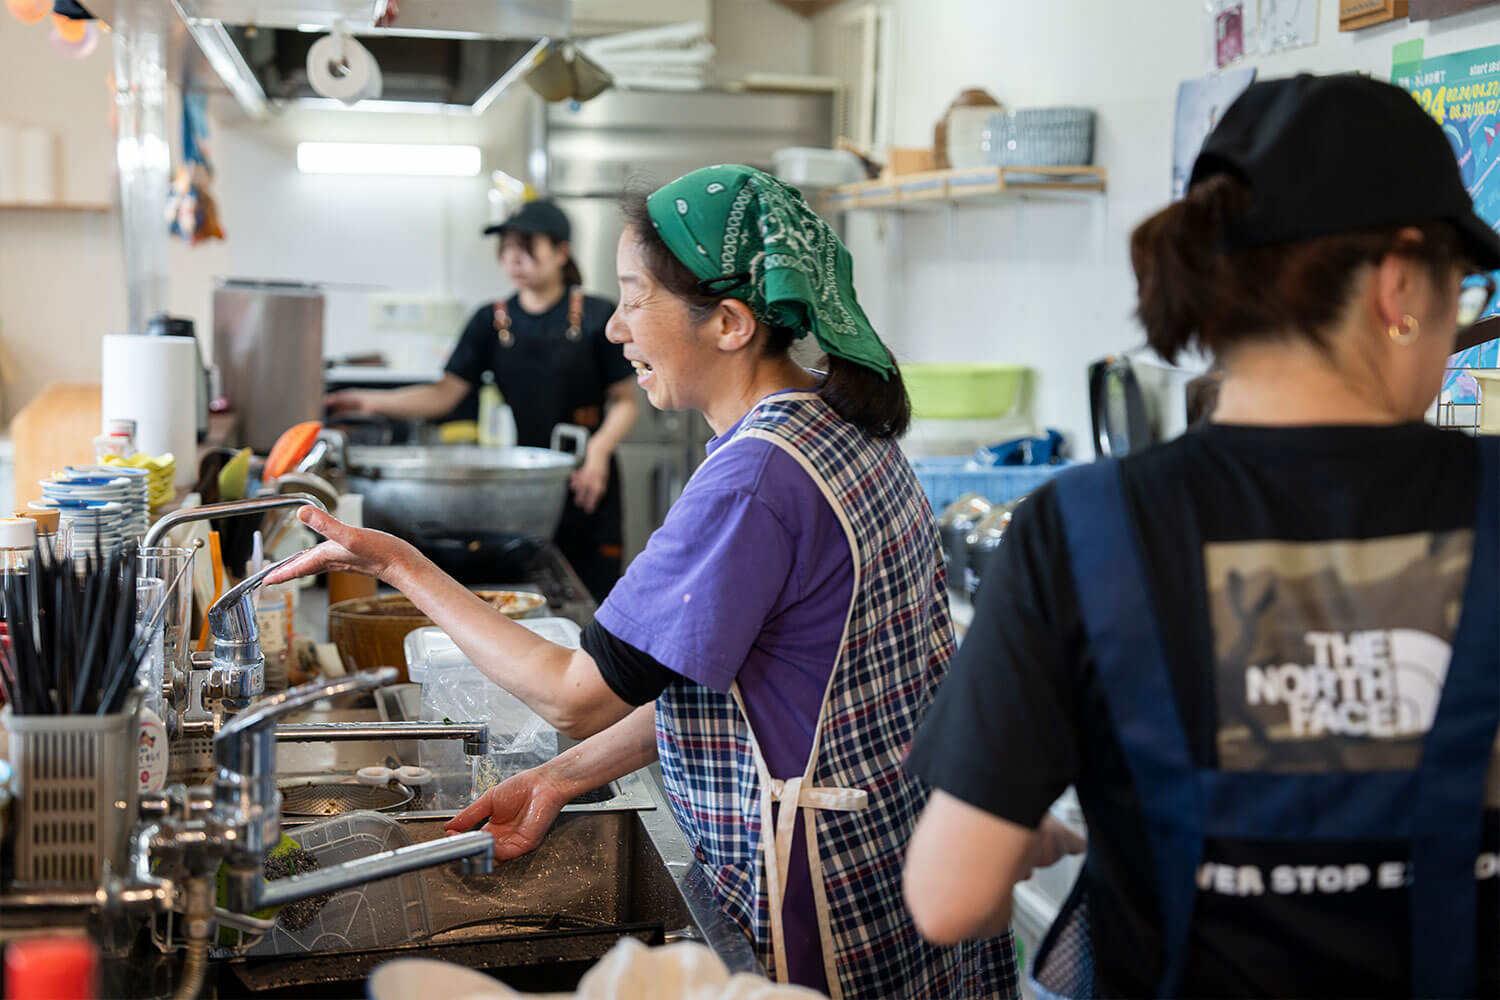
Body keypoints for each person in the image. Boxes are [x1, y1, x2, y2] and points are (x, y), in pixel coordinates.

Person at [270, 165, 1018, 998]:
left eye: (635, 299)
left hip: (814, 888)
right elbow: (723, 674)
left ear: (730, 323)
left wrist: (396, 561)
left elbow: (572, 692)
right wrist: (559, 777)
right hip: (898, 852)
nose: (619, 330)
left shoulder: (754, 482)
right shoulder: (835, 423)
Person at [902, 73, 1500, 999]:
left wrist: (1033, 831)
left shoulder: (1085, 525)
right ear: (1399, 281)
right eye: (1460, 291)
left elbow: (948, 897)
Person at [326, 200, 639, 600]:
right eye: (506, 248)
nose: (513, 258)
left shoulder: (597, 316)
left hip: (587, 478)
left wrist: (597, 451)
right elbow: (444, 394)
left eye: (526, 246)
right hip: (523, 486)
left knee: (591, 592)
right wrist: (368, 402)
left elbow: (626, 401)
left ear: (561, 252)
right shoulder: (490, 321)